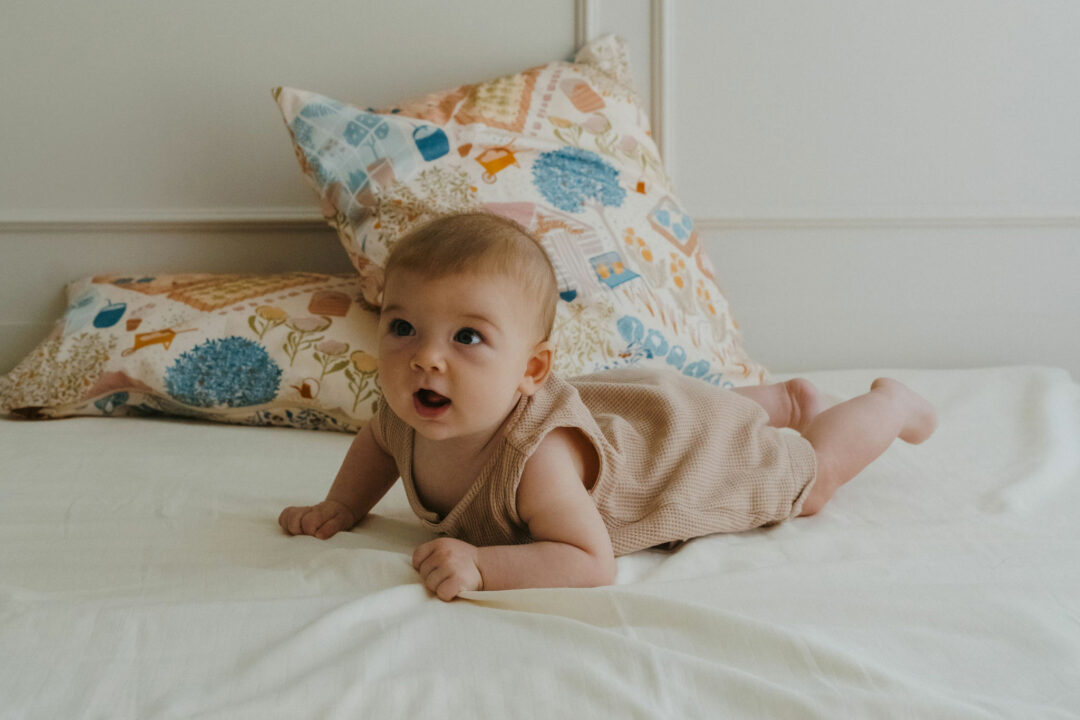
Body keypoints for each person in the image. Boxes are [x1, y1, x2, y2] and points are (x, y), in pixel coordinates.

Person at [279, 212, 937, 601]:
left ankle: (887, 404)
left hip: (676, 455)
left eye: (468, 337)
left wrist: (484, 564)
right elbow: (377, 445)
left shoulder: (536, 462)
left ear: (531, 371)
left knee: (809, 481)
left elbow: (589, 561)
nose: (426, 358)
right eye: (403, 329)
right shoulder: (406, 412)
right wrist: (343, 505)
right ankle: (784, 399)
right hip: (644, 412)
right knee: (697, 407)